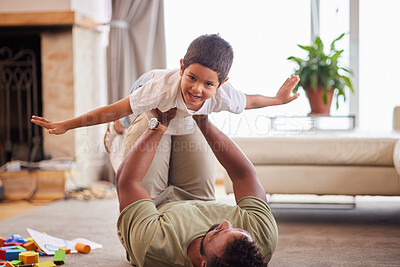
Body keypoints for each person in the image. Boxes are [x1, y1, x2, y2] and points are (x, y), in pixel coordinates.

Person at [31, 34, 299, 162]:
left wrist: (278, 100)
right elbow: (114, 108)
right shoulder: (159, 89)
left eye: (208, 84)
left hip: (173, 97)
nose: (197, 89)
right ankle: (115, 131)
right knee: (126, 117)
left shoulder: (224, 95)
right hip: (147, 81)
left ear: (221, 84)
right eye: (191, 77)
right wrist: (67, 124)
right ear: (182, 67)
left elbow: (250, 100)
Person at [116, 107, 278, 267]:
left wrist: (160, 124)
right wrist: (203, 121)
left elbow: (128, 181)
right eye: (238, 229)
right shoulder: (261, 238)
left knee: (151, 113)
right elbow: (243, 174)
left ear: (204, 263)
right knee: (185, 114)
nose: (226, 223)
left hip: (153, 209)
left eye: (218, 232)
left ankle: (116, 133)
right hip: (200, 198)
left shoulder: (153, 245)